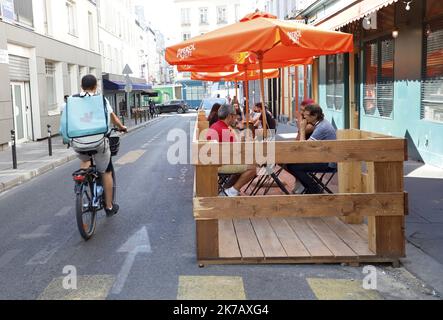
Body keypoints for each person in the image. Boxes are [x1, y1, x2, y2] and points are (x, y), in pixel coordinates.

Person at [74, 75, 127, 216]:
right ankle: (109, 206)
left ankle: (82, 183)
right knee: (106, 171)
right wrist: (122, 127)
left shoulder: (72, 101)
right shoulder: (101, 100)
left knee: (85, 159)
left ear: (81, 86)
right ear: (95, 86)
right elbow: (113, 117)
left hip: (78, 142)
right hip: (98, 142)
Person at [207, 104, 256, 197]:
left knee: (244, 165)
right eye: (235, 116)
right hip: (218, 164)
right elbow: (236, 153)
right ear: (230, 116)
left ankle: (226, 189)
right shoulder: (225, 130)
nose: (236, 118)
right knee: (253, 167)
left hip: (212, 161)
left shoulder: (215, 125)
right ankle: (232, 191)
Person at [286, 104, 337, 194]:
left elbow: (304, 147)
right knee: (290, 164)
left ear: (315, 116)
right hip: (324, 158)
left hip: (329, 163)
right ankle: (311, 189)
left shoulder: (322, 127)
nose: (305, 118)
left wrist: (302, 129)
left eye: (306, 116)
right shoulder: (321, 123)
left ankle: (315, 190)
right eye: (304, 116)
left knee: (294, 167)